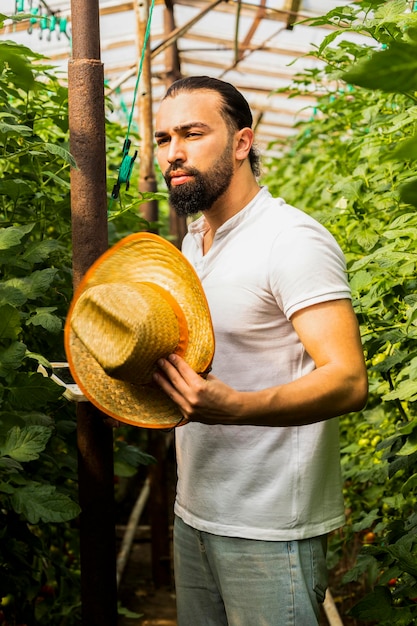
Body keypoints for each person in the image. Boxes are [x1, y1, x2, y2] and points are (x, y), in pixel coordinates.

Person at [152, 75, 368, 626]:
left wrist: (238, 408)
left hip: (271, 530)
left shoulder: (290, 239)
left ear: (242, 142)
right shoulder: (191, 245)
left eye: (192, 133)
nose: (173, 153)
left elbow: (347, 380)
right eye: (162, 138)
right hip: (195, 514)